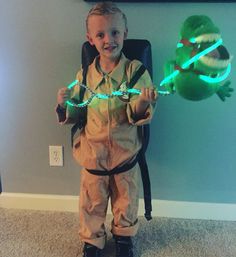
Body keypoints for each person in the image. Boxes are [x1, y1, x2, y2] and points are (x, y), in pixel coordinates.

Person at [56, 2, 157, 257]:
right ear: (90, 39)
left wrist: (143, 101)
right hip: (93, 155)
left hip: (125, 155)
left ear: (125, 33)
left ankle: (124, 239)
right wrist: (63, 103)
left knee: (126, 202)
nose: (108, 40)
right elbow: (77, 112)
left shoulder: (136, 72)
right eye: (100, 34)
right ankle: (92, 241)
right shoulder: (84, 76)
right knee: (91, 204)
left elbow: (138, 115)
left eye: (114, 33)